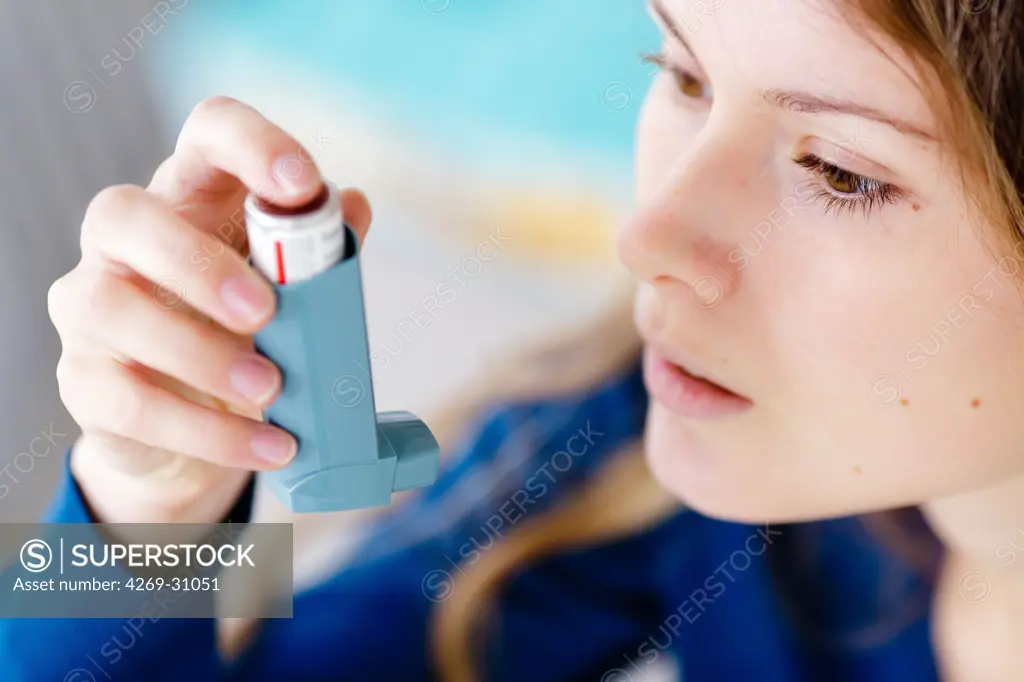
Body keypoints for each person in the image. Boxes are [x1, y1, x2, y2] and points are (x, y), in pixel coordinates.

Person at [4, 0, 1024, 679]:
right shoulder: (635, 452)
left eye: (839, 172)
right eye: (682, 77)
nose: (645, 237)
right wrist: (144, 519)